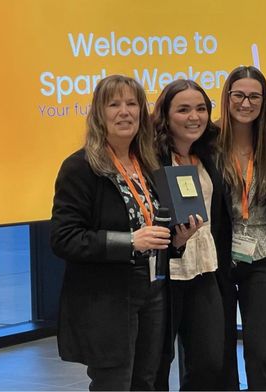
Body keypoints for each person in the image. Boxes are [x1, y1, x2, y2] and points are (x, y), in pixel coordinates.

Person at [50, 75, 198, 391]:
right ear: (98, 114)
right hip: (108, 295)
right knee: (114, 383)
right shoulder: (80, 167)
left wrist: (178, 241)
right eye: (114, 104)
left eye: (132, 104)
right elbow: (64, 238)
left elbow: (157, 231)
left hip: (154, 288)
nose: (124, 112)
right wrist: (130, 242)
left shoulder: (147, 163)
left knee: (146, 380)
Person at [152, 79, 226, 391]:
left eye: (200, 109)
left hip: (204, 270)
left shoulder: (208, 155)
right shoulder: (149, 158)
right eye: (183, 110)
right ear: (166, 116)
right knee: (157, 364)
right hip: (164, 276)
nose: (194, 116)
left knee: (210, 363)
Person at [216, 65, 266, 391]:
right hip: (218, 258)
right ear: (227, 97)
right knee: (220, 350)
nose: (246, 103)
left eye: (254, 96)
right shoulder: (208, 143)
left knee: (261, 353)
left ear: (265, 101)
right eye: (239, 95)